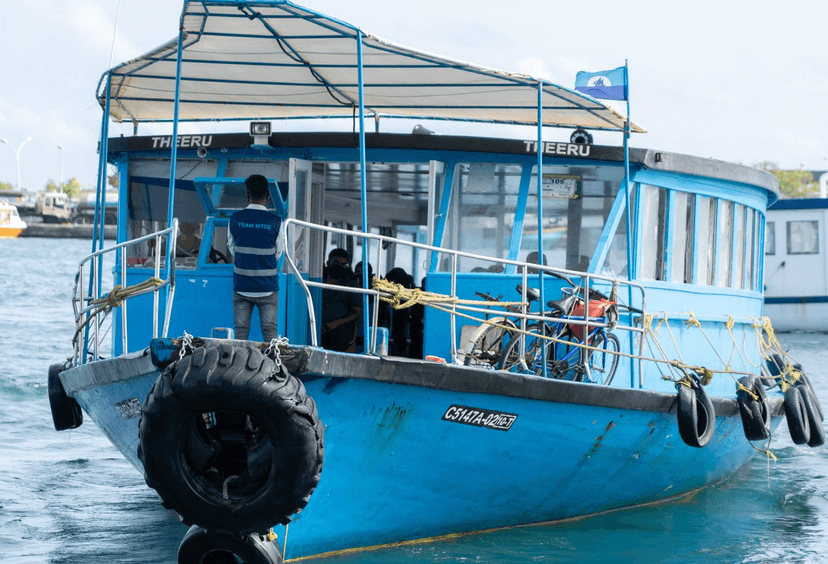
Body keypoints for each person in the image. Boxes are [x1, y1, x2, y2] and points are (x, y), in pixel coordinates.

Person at [227, 174, 284, 342]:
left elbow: (232, 248)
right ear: (267, 195)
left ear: (247, 194)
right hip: (267, 287)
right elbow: (279, 252)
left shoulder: (235, 219)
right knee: (270, 334)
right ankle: (273, 366)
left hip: (242, 286)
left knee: (240, 333)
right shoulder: (276, 222)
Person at [321, 248, 362, 352]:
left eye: (343, 264)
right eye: (336, 262)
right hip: (317, 328)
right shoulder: (318, 281)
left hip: (340, 331)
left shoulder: (351, 286)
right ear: (328, 262)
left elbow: (357, 313)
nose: (339, 266)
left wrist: (334, 324)